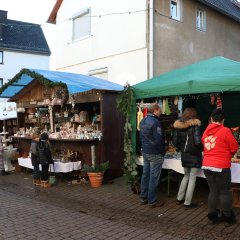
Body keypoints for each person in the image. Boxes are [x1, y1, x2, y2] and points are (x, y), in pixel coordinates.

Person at [202, 109, 238, 225]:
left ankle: (212, 216)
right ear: (223, 120)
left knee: (213, 191)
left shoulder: (206, 131)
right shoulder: (225, 131)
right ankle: (227, 217)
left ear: (211, 119)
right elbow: (234, 148)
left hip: (207, 165)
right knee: (224, 192)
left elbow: (204, 144)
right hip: (221, 166)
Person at [172, 107, 203, 208]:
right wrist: (202, 149)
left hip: (184, 154)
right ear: (194, 114)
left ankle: (179, 198)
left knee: (186, 176)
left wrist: (181, 148)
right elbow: (198, 142)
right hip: (194, 154)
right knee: (192, 178)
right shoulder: (195, 126)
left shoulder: (178, 126)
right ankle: (187, 203)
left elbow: (175, 142)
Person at [139, 103, 165, 208]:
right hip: (154, 152)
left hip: (145, 151)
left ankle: (143, 198)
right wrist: (162, 152)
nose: (161, 112)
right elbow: (158, 140)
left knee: (145, 175)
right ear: (155, 110)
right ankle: (152, 201)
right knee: (153, 177)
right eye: (160, 110)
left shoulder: (143, 121)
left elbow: (141, 137)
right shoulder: (156, 122)